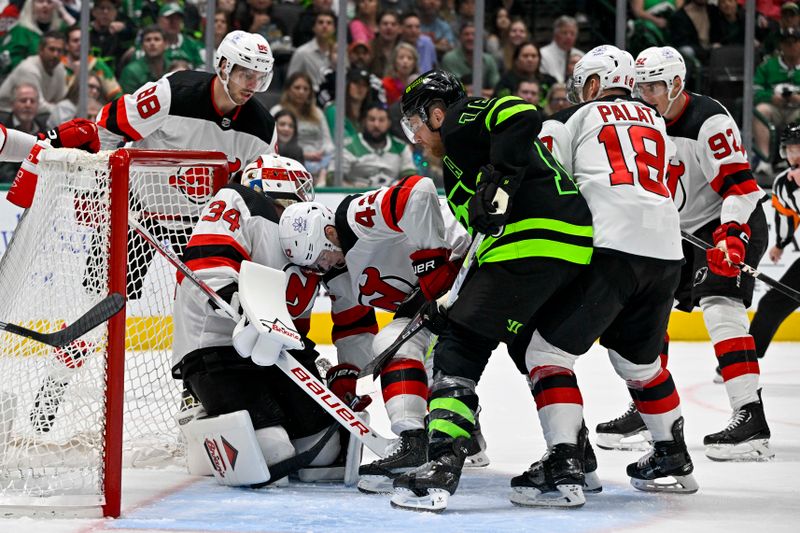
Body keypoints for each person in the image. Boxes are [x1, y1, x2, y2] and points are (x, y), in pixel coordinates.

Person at [389, 69, 594, 512]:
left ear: (437, 112)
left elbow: (522, 113)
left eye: (415, 124)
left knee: (457, 349)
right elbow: (484, 239)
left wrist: (500, 176)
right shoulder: (456, 169)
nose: (416, 138)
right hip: (567, 250)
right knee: (532, 350)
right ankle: (572, 460)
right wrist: (452, 299)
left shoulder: (463, 119)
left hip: (533, 240)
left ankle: (442, 463)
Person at [505, 45, 695, 510]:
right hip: (668, 252)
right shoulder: (656, 122)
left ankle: (563, 463)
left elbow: (545, 186)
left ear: (593, 84)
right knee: (640, 364)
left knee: (545, 353)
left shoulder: (571, 118)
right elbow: (675, 190)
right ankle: (672, 456)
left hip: (610, 249)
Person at [598, 46, 771, 463]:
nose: (646, 95)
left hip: (728, 221)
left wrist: (730, 236)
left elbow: (740, 186)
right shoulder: (642, 119)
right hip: (677, 232)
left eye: (655, 86)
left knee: (720, 305)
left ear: (677, 84)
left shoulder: (708, 119)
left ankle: (751, 417)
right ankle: (647, 409)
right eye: (640, 87)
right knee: (643, 311)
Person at [278, 176, 474, 495]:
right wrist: (346, 378)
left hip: (464, 262)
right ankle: (450, 438)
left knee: (407, 350)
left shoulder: (354, 218)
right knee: (411, 353)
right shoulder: (337, 276)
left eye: (321, 258)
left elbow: (418, 192)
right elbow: (354, 329)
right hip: (435, 293)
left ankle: (421, 443)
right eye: (314, 266)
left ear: (330, 233)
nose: (322, 269)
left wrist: (432, 261)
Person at [171, 154, 346, 485]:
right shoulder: (242, 201)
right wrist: (246, 310)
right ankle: (201, 422)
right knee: (273, 450)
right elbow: (208, 268)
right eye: (295, 194)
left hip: (272, 355)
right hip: (217, 349)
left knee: (324, 452)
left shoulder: (308, 246)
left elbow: (299, 329)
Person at [750, 123, 800, 359]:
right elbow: (787, 215)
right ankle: (744, 363)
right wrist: (781, 243)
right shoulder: (783, 184)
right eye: (790, 149)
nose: (793, 155)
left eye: (798, 149)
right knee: (772, 303)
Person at [753, 27, 800, 179]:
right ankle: (765, 161)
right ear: (781, 45)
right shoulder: (768, 65)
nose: (791, 46)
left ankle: (795, 162)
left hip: (797, 109)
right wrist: (771, 97)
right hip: (775, 107)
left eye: (794, 43)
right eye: (787, 43)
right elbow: (754, 91)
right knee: (760, 110)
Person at [270, 72, 333, 184]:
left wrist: (322, 153)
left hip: (320, 159)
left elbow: (328, 142)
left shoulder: (317, 112)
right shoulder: (277, 111)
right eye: (297, 87)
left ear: (310, 93)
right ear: (288, 90)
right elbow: (272, 144)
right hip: (292, 158)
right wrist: (305, 155)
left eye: (305, 89)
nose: (301, 92)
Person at [340, 102, 416, 187]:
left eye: (381, 120)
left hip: (390, 197)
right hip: (355, 197)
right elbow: (332, 177)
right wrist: (352, 188)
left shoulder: (401, 147)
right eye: (372, 119)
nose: (376, 125)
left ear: (389, 123)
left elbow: (410, 178)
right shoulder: (348, 146)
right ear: (364, 121)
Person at [0, 30, 67, 115]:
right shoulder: (29, 69)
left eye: (59, 50)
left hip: (32, 116)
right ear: (40, 50)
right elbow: (36, 106)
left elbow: (62, 99)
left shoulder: (59, 67)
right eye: (51, 49)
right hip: (6, 114)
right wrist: (62, 109)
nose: (55, 55)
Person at [62, 25, 121, 103]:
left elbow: (116, 94)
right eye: (75, 40)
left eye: (84, 40)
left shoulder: (98, 65)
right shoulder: (58, 65)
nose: (80, 44)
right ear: (66, 45)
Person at [441, 22, 500, 97]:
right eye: (466, 34)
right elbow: (449, 89)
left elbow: (497, 89)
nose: (470, 38)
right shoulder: (449, 59)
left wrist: (477, 91)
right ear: (460, 37)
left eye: (474, 34)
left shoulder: (489, 60)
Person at [286, 9, 335, 90]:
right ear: (314, 28)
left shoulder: (341, 53)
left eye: (329, 23)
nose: (325, 26)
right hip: (309, 100)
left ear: (334, 29)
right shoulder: (302, 53)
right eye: (320, 22)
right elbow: (290, 82)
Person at [118, 26, 169, 94]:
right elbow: (126, 101)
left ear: (166, 44)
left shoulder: (172, 68)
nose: (152, 43)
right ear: (142, 46)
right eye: (148, 40)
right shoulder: (131, 71)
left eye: (157, 39)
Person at [539, 16, 583, 83]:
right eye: (564, 33)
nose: (569, 37)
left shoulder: (581, 56)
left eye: (572, 34)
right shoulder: (543, 54)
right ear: (555, 34)